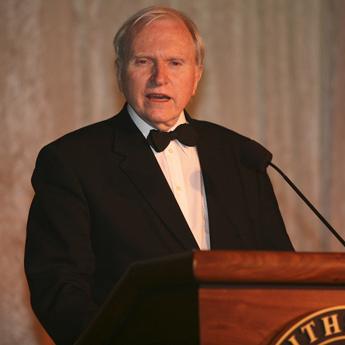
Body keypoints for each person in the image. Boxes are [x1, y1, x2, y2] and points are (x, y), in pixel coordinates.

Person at [24, 5, 294, 345]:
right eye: (143, 61)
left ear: (196, 76)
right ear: (119, 71)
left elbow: (281, 270)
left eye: (175, 63)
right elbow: (59, 288)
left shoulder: (242, 155)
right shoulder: (71, 161)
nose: (160, 78)